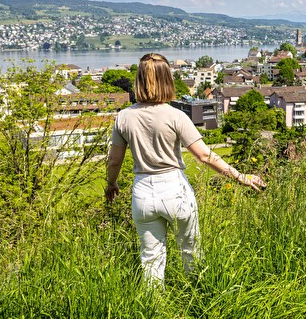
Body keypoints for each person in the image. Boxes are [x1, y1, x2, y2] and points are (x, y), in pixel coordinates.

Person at [105, 53, 266, 285]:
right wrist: (240, 176)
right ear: (167, 80)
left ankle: (154, 307)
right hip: (175, 189)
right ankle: (198, 294)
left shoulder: (124, 117)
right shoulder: (176, 116)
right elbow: (204, 155)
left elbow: (114, 161)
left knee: (151, 259)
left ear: (139, 79)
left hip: (142, 193)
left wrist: (112, 184)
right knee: (190, 251)